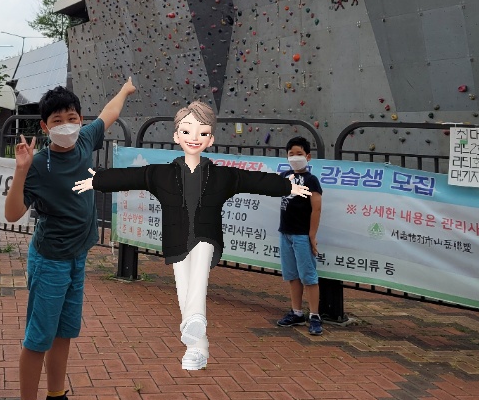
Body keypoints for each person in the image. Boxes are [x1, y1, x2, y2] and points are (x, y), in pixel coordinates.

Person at [74, 101, 311, 371]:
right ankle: (196, 349)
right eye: (187, 132)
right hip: (175, 240)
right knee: (184, 288)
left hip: (207, 237)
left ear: (210, 138)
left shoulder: (223, 176)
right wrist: (97, 181)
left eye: (202, 132)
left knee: (199, 264)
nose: (194, 138)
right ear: (177, 136)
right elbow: (132, 177)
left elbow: (253, 181)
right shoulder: (160, 174)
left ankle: (196, 316)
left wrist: (286, 186)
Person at [4, 78, 136, 400]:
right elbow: (12, 214)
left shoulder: (85, 142)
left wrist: (125, 89)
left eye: (72, 117)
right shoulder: (39, 165)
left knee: (63, 333)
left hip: (78, 257)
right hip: (50, 261)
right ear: (44, 127)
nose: (67, 124)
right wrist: (21, 171)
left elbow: (108, 114)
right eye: (57, 119)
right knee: (39, 337)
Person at [276, 136, 324, 335]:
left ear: (308, 156)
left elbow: (316, 209)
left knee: (308, 276)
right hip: (285, 233)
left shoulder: (311, 180)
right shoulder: (285, 175)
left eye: (299, 154)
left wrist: (312, 235)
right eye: (291, 154)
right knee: (292, 276)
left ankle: (314, 315)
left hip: (302, 235)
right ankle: (296, 312)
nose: (295, 158)